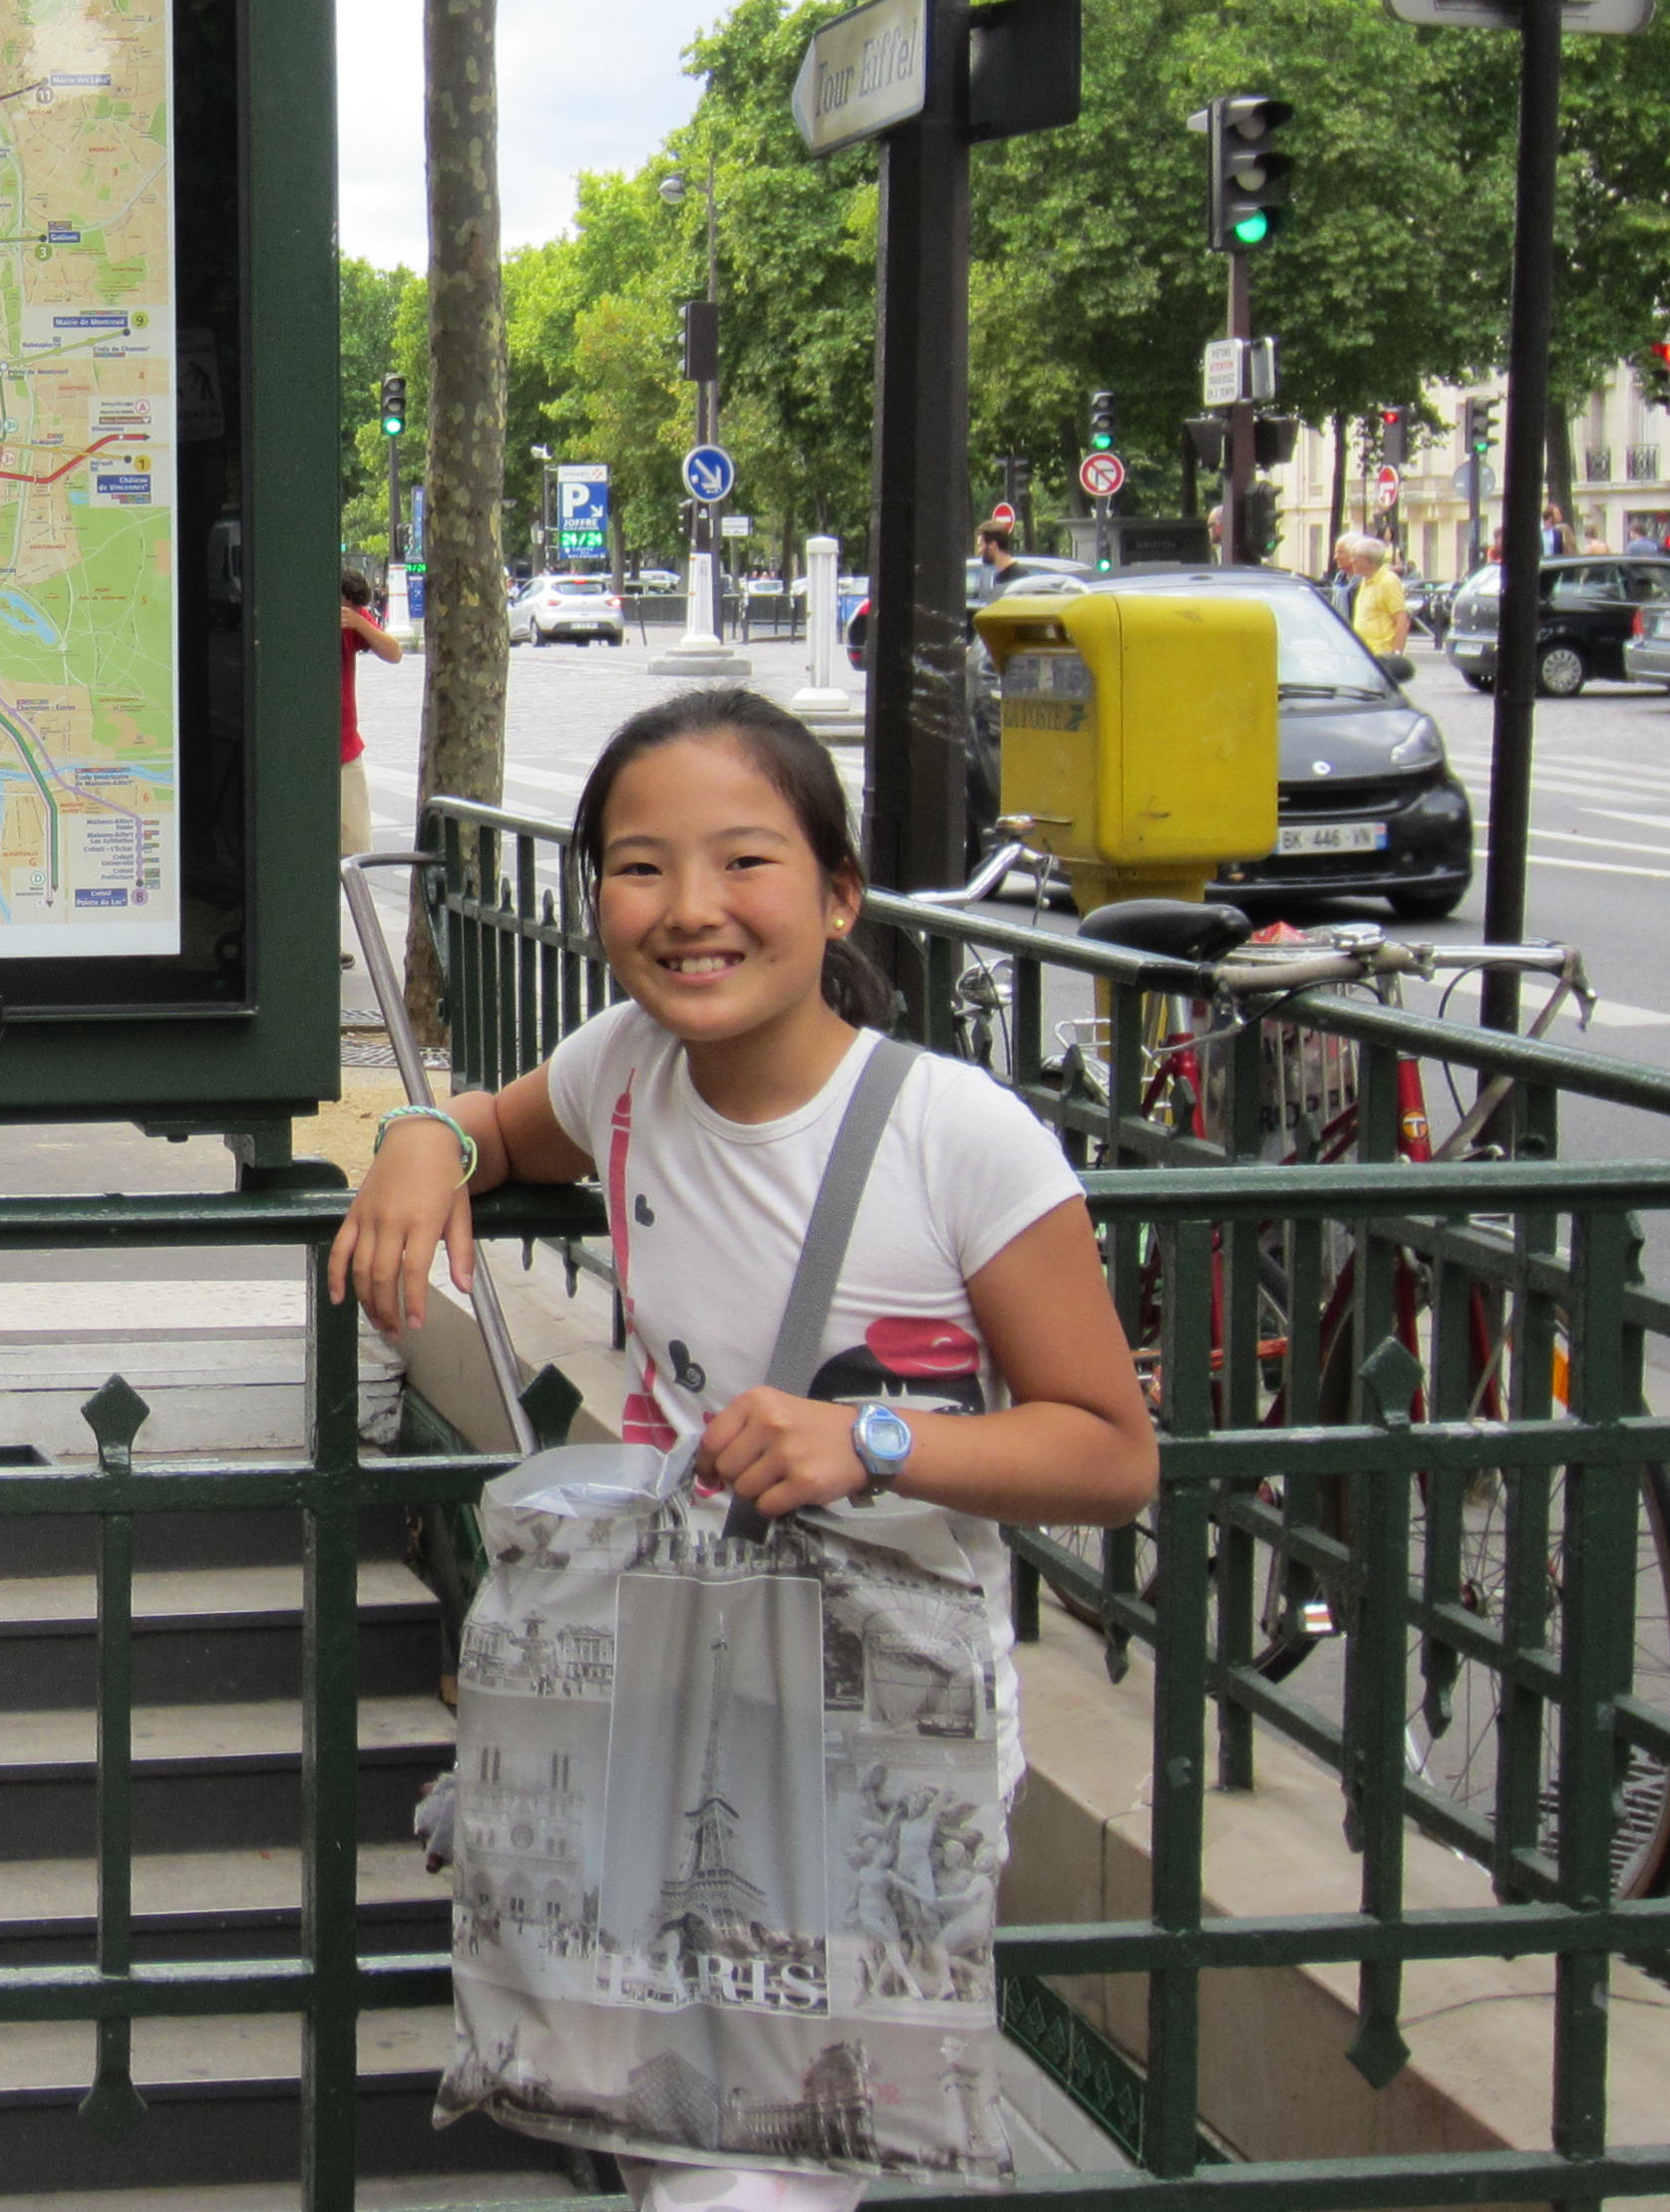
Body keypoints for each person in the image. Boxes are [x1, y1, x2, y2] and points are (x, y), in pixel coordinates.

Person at [331, 689, 1154, 2212]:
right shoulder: (626, 1070)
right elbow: (501, 1127)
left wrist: (875, 1439)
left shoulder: (959, 1137)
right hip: (662, 1682)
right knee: (661, 2118)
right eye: (640, 867)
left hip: (872, 1721)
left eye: (745, 862)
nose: (690, 908)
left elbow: (1110, 1454)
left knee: (758, 2161)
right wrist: (421, 1138)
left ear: (838, 896)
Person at [337, 568, 404, 964]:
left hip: (345, 749)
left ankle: (333, 936)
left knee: (351, 848)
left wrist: (359, 622)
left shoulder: (353, 623)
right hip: (315, 748)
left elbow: (393, 652)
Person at [1341, 530, 1412, 667]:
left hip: (1381, 657)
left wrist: (1396, 656)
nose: (1352, 561)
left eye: (1355, 557)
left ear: (1366, 561)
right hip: (1364, 655)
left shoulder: (1388, 581)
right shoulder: (1365, 581)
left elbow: (1401, 621)